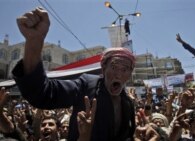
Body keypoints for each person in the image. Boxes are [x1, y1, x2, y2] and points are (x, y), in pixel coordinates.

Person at [13, 7, 136, 141]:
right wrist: (34, 42)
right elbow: (43, 93)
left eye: (125, 69)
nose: (119, 74)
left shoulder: (128, 102)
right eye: (114, 66)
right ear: (103, 67)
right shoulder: (86, 85)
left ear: (130, 74)